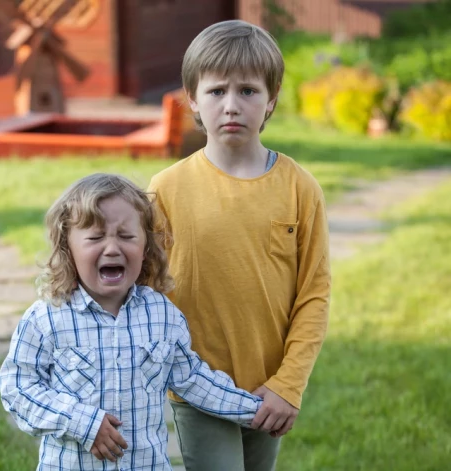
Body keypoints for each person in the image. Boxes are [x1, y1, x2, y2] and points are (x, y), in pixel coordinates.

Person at [148, 20, 331, 471]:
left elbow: (313, 295)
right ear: (192, 97)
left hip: (270, 390)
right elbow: (145, 293)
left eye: (248, 91)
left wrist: (288, 384)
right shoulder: (166, 189)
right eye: (216, 92)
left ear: (271, 99)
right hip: (197, 386)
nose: (232, 105)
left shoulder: (299, 188)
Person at [0, 173, 263, 471]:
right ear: (68, 248)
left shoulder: (162, 315)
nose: (112, 248)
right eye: (96, 237)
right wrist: (81, 422)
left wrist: (257, 410)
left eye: (126, 236)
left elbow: (193, 379)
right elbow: (18, 389)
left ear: (146, 247)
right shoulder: (46, 318)